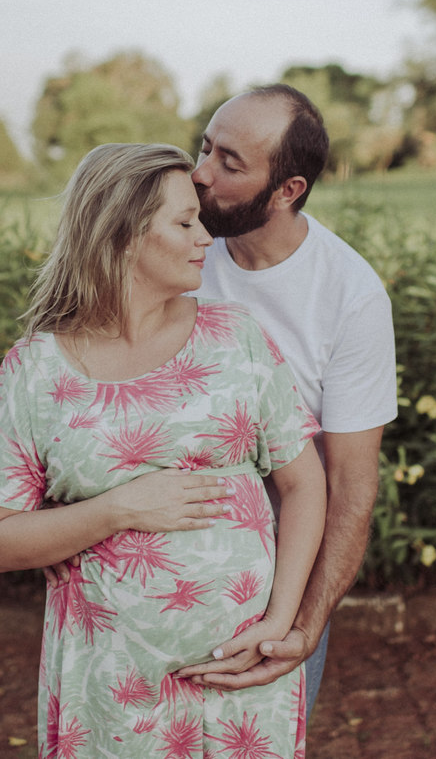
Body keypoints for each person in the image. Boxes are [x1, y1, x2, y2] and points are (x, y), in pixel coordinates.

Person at [0, 142, 327, 757]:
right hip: (111, 689)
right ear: (121, 234)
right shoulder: (34, 370)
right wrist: (118, 509)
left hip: (240, 680)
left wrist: (281, 620)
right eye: (184, 223)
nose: (205, 238)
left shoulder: (236, 337)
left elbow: (303, 483)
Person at [175, 84, 398, 716]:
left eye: (230, 163)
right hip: (156, 540)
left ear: (287, 190)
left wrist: (304, 625)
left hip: (277, 557)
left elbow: (350, 482)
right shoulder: (173, 248)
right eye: (205, 148)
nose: (200, 173)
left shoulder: (350, 296)